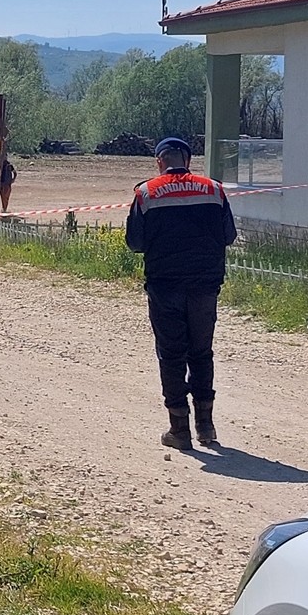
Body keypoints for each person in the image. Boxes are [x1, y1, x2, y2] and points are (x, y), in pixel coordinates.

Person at [126, 137, 237, 450]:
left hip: (165, 285)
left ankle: (179, 429)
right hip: (205, 285)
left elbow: (135, 242)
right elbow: (228, 236)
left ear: (160, 162)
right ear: (188, 161)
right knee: (201, 352)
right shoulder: (214, 190)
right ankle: (206, 425)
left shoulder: (146, 192)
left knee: (172, 354)